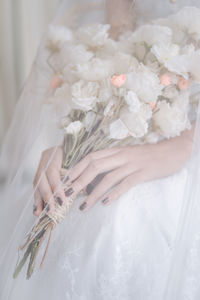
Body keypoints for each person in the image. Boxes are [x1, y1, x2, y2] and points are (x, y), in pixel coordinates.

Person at [1, 0, 200, 299]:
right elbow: (88, 101)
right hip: (106, 151)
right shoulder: (82, 15)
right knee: (68, 209)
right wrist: (61, 148)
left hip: (182, 156)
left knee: (121, 220)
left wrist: (185, 142)